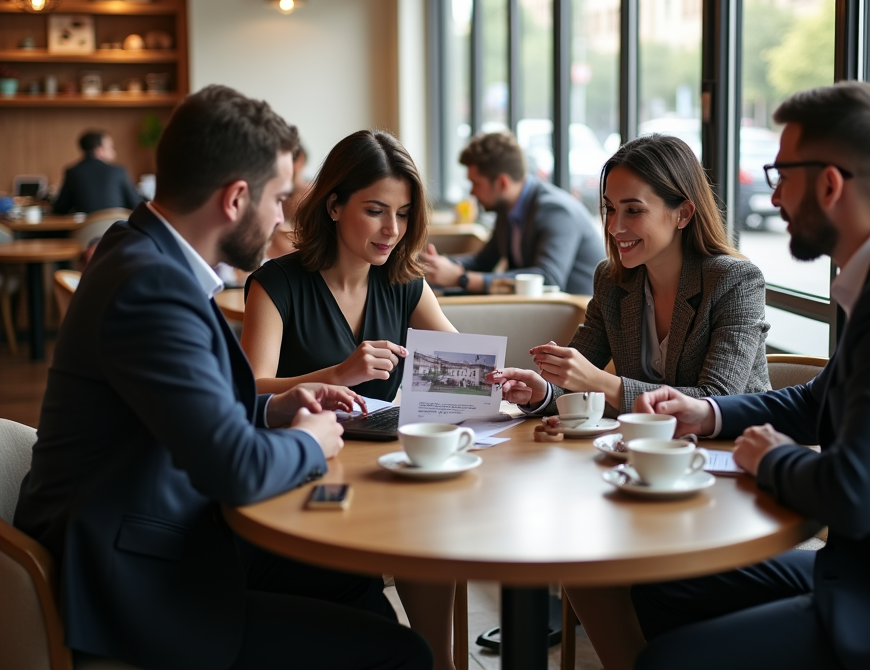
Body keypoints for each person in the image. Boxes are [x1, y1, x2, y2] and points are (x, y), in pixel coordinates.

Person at [15, 86, 432, 670]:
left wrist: (277, 410)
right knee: (401, 652)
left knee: (352, 580)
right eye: (280, 197)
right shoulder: (152, 288)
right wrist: (310, 440)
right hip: (133, 576)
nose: (285, 215)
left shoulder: (137, 251)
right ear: (238, 198)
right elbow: (235, 469)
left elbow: (185, 409)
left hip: (151, 527)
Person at [629, 82, 870, 670]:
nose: (776, 197)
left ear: (831, 183)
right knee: (663, 581)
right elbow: (822, 400)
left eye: (781, 176)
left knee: (669, 661)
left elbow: (857, 496)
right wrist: (708, 413)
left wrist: (769, 459)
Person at [487, 133, 771, 668]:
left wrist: (605, 384)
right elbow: (579, 371)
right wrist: (542, 388)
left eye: (634, 211)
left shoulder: (733, 281)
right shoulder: (613, 281)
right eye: (610, 210)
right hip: (643, 474)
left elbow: (719, 400)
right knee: (572, 550)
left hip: (729, 479)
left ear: (683, 212)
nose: (616, 228)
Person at [241, 129, 459, 670]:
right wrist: (339, 372)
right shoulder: (276, 283)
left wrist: (510, 384)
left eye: (404, 214)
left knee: (429, 525)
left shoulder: (404, 282)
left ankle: (443, 661)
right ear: (335, 206)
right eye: (377, 211)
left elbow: (460, 367)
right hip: (305, 482)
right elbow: (247, 389)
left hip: (381, 473)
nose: (393, 230)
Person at [420, 130, 604, 295]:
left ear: (502, 183)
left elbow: (548, 278)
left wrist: (461, 278)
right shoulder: (507, 208)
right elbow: (483, 262)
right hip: (535, 310)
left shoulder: (556, 211)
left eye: (476, 184)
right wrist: (436, 266)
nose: (472, 192)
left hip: (574, 317)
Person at [52, 130, 142, 214]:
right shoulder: (118, 171)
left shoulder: (72, 172)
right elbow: (136, 204)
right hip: (118, 229)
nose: (114, 152)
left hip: (86, 230)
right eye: (110, 147)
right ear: (99, 150)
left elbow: (60, 209)